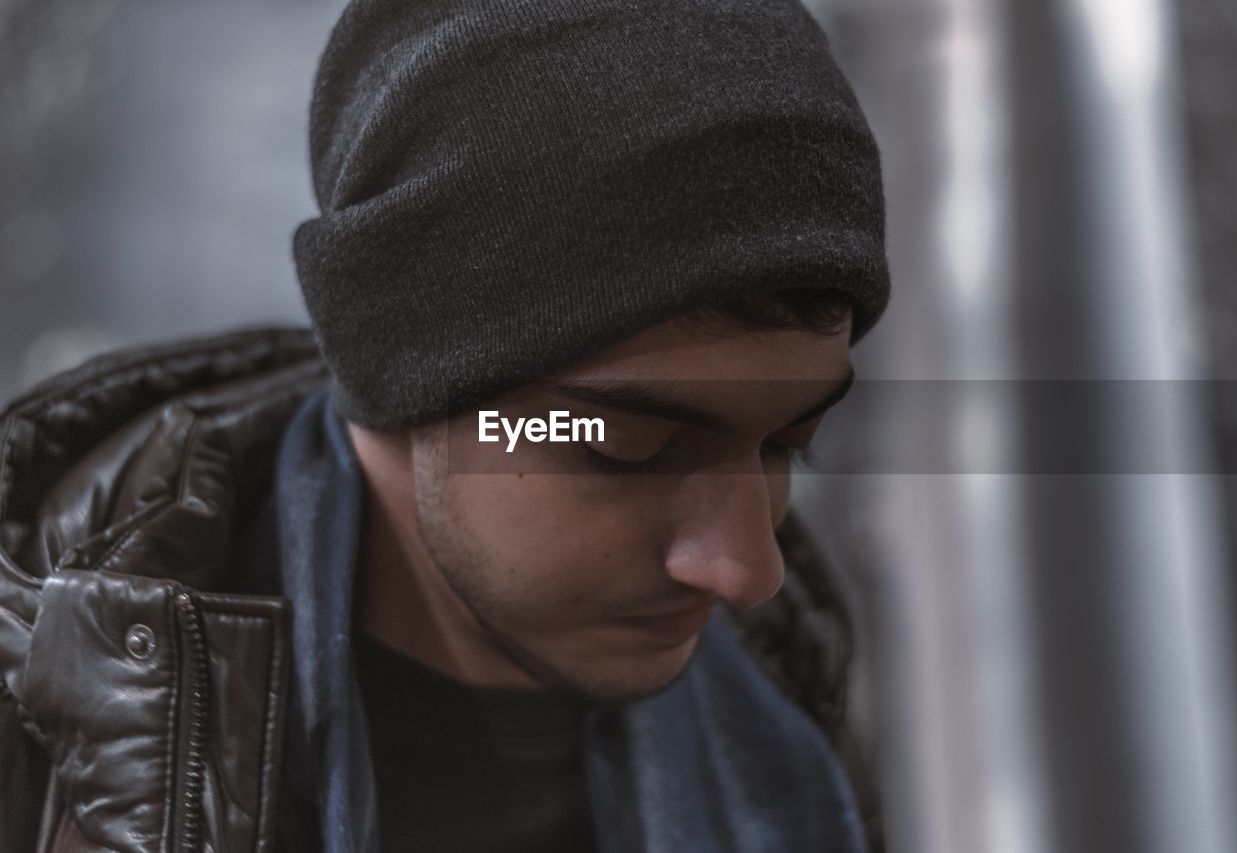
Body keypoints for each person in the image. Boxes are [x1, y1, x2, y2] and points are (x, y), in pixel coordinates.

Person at [0, 0, 891, 850]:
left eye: (787, 443)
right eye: (629, 451)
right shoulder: (43, 742)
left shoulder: (787, 694)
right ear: (400, 373)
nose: (746, 570)